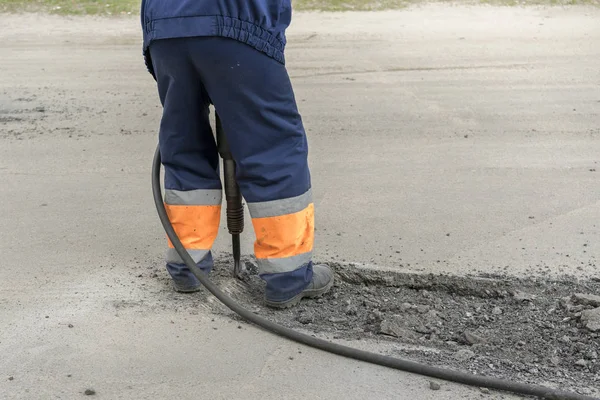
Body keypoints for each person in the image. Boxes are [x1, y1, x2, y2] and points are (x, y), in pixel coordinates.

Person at [141, 0, 334, 308]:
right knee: (273, 145)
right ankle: (289, 275)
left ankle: (187, 265)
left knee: (184, 143)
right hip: (235, 19)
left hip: (166, 27)